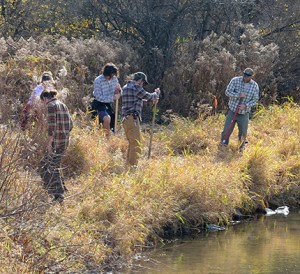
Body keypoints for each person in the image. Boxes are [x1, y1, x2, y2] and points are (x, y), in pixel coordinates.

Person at [39, 89, 73, 203]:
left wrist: (49, 144)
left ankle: (58, 195)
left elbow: (51, 127)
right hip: (64, 140)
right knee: (53, 164)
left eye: (43, 102)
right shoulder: (63, 105)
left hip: (56, 142)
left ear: (45, 98)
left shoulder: (51, 106)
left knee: (50, 167)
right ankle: (60, 188)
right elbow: (71, 124)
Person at [121, 72, 160, 166]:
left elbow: (137, 99)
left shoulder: (126, 87)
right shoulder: (136, 87)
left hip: (126, 119)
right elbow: (149, 96)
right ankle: (132, 167)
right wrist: (157, 93)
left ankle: (128, 166)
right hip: (132, 118)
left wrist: (149, 100)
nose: (142, 85)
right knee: (136, 144)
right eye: (143, 83)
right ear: (140, 80)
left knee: (132, 143)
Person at [221, 68, 259, 151]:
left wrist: (246, 105)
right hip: (233, 110)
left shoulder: (255, 85)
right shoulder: (235, 80)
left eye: (248, 76)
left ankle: (241, 148)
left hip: (244, 113)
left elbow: (255, 99)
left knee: (243, 132)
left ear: (251, 76)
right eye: (244, 75)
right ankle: (223, 145)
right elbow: (227, 92)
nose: (245, 77)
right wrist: (238, 95)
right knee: (227, 129)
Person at [91, 63, 121, 138]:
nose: (110, 77)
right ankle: (107, 139)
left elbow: (118, 90)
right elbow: (98, 97)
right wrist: (112, 98)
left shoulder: (114, 79)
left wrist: (119, 92)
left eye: (112, 75)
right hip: (99, 103)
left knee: (113, 123)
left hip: (109, 104)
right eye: (109, 76)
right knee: (107, 118)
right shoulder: (98, 81)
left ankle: (110, 137)